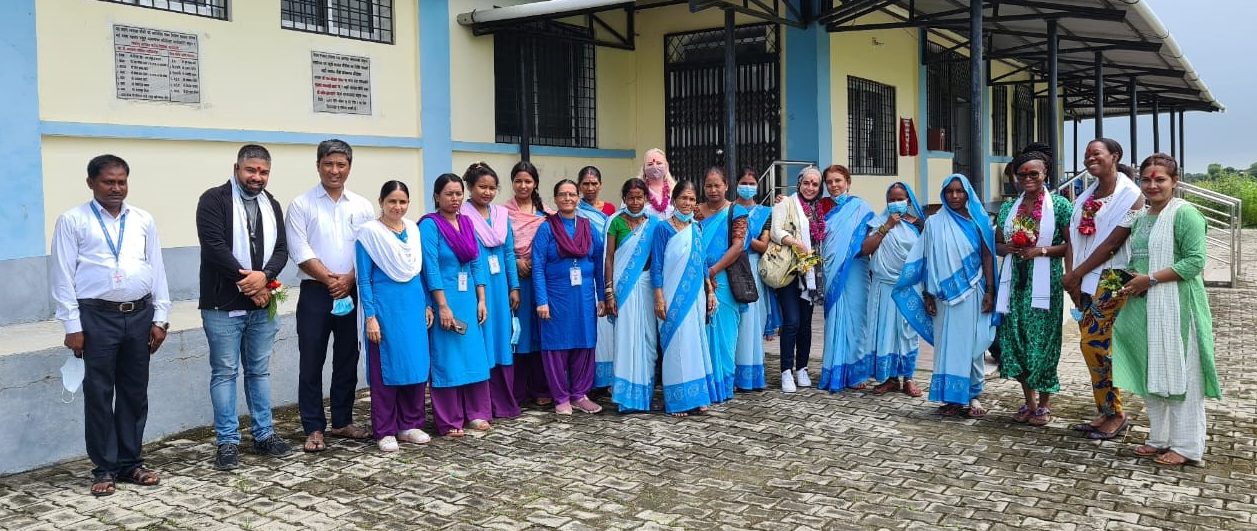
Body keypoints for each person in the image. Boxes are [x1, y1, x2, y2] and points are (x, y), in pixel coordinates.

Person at [52, 155, 171, 496]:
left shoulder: (143, 220)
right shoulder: (73, 221)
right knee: (100, 393)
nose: (116, 188)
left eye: (122, 181)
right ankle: (104, 467)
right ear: (90, 182)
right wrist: (72, 325)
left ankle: (131, 462)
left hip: (139, 314)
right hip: (96, 317)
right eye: (108, 182)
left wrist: (160, 317)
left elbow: (158, 269)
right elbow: (62, 276)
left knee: (135, 392)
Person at [1112, 153, 1220, 465]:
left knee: (1183, 373)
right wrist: (1131, 278)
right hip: (1145, 304)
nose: (1152, 185)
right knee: (1152, 369)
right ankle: (1160, 438)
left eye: (1160, 179)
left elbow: (1195, 261)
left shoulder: (1185, 214)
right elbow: (1135, 258)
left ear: (1175, 182)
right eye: (1146, 179)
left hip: (1177, 306)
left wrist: (1151, 279)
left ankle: (1187, 447)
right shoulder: (1141, 217)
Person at [197, 144, 292, 470]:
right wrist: (249, 284)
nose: (257, 177)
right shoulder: (213, 200)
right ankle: (227, 441)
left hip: (262, 304)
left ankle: (264, 435)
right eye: (251, 170)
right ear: (237, 167)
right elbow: (214, 248)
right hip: (222, 305)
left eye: (263, 172)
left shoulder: (272, 204)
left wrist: (265, 278)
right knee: (225, 373)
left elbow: (281, 249)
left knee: (259, 371)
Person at [284, 139, 375, 453]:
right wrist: (329, 279)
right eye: (329, 164)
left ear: (349, 167)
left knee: (348, 357)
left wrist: (350, 278)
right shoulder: (301, 204)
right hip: (315, 293)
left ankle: (342, 420)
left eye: (341, 164)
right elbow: (299, 250)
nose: (335, 170)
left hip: (351, 289)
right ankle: (313, 427)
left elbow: (366, 247)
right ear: (318, 164)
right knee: (311, 359)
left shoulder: (362, 206)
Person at [1060, 138, 1143, 440]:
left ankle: (1116, 413)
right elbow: (1072, 237)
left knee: (1094, 343)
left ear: (1115, 156)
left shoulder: (1131, 195)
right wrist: (1072, 276)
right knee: (1092, 343)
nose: (1089, 158)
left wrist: (1077, 274)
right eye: (1086, 155)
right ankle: (1104, 410)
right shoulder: (1086, 196)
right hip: (1084, 277)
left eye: (1096, 153)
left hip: (1112, 278)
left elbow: (1112, 243)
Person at [894, 174, 996, 418]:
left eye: (960, 191)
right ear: (943, 194)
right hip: (941, 297)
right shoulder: (934, 223)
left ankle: (973, 396)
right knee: (948, 347)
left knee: (972, 346)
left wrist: (990, 291)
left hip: (972, 292)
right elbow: (927, 260)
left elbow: (987, 256)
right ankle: (951, 399)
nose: (955, 196)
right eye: (949, 191)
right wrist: (928, 294)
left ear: (968, 193)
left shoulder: (978, 221)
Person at [994, 150, 1073, 426]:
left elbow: (1070, 245)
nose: (1027, 178)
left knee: (1043, 340)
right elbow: (997, 244)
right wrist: (1011, 247)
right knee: (1017, 339)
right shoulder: (1008, 209)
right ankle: (1028, 402)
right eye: (1022, 174)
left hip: (1045, 282)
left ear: (1045, 174)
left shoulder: (1061, 206)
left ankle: (1044, 405)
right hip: (1015, 281)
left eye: (1033, 173)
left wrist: (1039, 250)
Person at [355, 181, 434, 452]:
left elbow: (418, 271)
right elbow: (364, 280)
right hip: (386, 309)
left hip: (413, 305)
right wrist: (370, 316)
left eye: (402, 202)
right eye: (392, 201)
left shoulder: (412, 230)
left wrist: (426, 304)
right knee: (386, 370)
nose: (397, 207)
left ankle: (409, 424)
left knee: (415, 366)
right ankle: (385, 429)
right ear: (381, 201)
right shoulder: (368, 234)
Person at [420, 174, 493, 436]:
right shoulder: (430, 225)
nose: (455, 199)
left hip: (468, 299)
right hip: (445, 297)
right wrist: (441, 306)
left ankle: (476, 413)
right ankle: (450, 418)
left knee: (473, 355)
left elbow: (476, 262)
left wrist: (482, 299)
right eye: (449, 194)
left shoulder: (467, 222)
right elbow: (430, 267)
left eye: (458, 193)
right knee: (448, 358)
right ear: (437, 196)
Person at [533, 179, 607, 415]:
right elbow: (537, 266)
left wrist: (602, 296)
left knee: (584, 342)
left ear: (578, 198)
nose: (567, 199)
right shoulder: (547, 228)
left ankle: (579, 394)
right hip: (556, 296)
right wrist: (541, 300)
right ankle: (561, 396)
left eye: (572, 194)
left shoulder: (587, 226)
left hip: (583, 296)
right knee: (556, 345)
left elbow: (599, 263)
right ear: (555, 199)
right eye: (562, 195)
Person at [651, 180, 718, 416]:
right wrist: (658, 297)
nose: (688, 203)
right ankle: (678, 400)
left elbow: (702, 264)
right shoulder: (663, 228)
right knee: (676, 345)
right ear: (674, 200)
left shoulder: (696, 228)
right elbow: (656, 265)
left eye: (692, 199)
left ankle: (697, 396)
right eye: (683, 199)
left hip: (696, 296)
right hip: (671, 296)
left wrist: (710, 291)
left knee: (695, 344)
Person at [461, 162, 522, 419]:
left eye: (492, 188)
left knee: (501, 338)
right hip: (475, 285)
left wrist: (514, 285)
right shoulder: (462, 214)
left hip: (500, 287)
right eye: (481, 187)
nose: (487, 192)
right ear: (470, 187)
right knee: (482, 339)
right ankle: (480, 406)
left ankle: (503, 403)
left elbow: (509, 252)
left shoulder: (500, 215)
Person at [862, 182, 925, 398]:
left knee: (907, 333)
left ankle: (908, 377)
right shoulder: (879, 222)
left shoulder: (918, 225)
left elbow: (924, 256)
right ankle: (889, 378)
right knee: (885, 331)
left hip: (908, 287)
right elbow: (865, 249)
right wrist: (887, 225)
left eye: (900, 198)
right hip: (884, 286)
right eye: (892, 199)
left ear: (908, 201)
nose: (896, 203)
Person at [816, 165, 875, 393]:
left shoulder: (861, 208)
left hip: (856, 269)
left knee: (858, 319)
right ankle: (835, 370)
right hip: (832, 271)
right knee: (835, 319)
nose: (834, 185)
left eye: (838, 180)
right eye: (829, 182)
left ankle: (857, 372)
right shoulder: (821, 210)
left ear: (848, 182)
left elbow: (868, 241)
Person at [604, 178, 660, 412]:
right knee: (625, 338)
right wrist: (609, 292)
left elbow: (658, 258)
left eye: (640, 197)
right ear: (624, 198)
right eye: (631, 197)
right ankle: (626, 398)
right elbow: (609, 257)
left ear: (646, 198)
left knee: (648, 338)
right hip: (622, 286)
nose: (635, 202)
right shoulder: (615, 222)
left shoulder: (654, 223)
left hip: (646, 284)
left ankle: (644, 394)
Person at [503, 161, 554, 407]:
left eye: (528, 181)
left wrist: (536, 261)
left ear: (535, 184)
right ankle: (517, 389)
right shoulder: (503, 213)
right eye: (518, 181)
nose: (523, 186)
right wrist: (516, 262)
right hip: (516, 281)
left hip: (542, 279)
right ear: (512, 183)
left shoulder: (546, 213)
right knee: (518, 333)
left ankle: (541, 387)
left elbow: (554, 243)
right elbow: (499, 244)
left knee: (541, 330)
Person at [771, 166, 824, 392]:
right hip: (790, 270)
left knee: (805, 323)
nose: (810, 187)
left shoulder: (820, 209)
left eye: (815, 184)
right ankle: (785, 371)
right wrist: (795, 242)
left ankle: (802, 368)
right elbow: (775, 231)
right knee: (791, 321)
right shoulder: (786, 203)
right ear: (799, 183)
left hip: (810, 272)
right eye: (806, 182)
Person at [697, 167, 746, 402]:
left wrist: (714, 270)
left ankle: (724, 384)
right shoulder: (696, 212)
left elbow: (738, 246)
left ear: (727, 186)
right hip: (698, 280)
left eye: (717, 185)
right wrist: (703, 273)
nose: (713, 190)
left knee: (726, 334)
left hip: (724, 279)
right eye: (709, 185)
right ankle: (706, 384)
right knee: (703, 332)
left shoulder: (736, 211)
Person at [576, 166, 616, 392]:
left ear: (600, 184)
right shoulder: (576, 210)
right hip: (587, 271)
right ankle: (589, 378)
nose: (590, 188)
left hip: (609, 269)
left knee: (608, 325)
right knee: (592, 320)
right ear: (579, 186)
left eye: (594, 183)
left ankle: (610, 377)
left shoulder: (610, 209)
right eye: (585, 184)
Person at [732, 168, 772, 391]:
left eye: (751, 183)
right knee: (733, 321)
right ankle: (730, 372)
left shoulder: (765, 213)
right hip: (730, 266)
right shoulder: (729, 210)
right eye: (743, 182)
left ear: (757, 186)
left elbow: (764, 246)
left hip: (753, 270)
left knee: (751, 322)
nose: (747, 186)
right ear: (736, 184)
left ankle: (750, 376)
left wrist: (743, 237)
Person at [640, 148, 678, 219]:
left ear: (666, 166)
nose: (655, 166)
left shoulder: (675, 190)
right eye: (650, 164)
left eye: (659, 163)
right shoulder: (637, 190)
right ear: (644, 168)